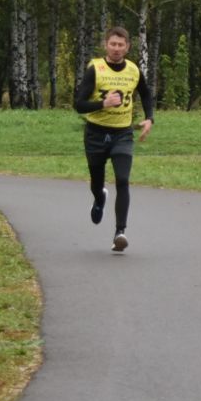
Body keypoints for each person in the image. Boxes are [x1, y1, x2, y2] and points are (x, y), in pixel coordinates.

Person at [73, 26, 154, 252]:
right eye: (113, 44)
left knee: (123, 180)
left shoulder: (133, 70)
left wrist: (150, 119)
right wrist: (103, 104)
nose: (117, 48)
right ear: (106, 45)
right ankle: (99, 198)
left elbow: (146, 94)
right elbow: (78, 104)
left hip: (122, 133)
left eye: (121, 45)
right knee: (97, 181)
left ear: (127, 47)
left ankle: (120, 232)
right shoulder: (95, 69)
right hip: (96, 133)